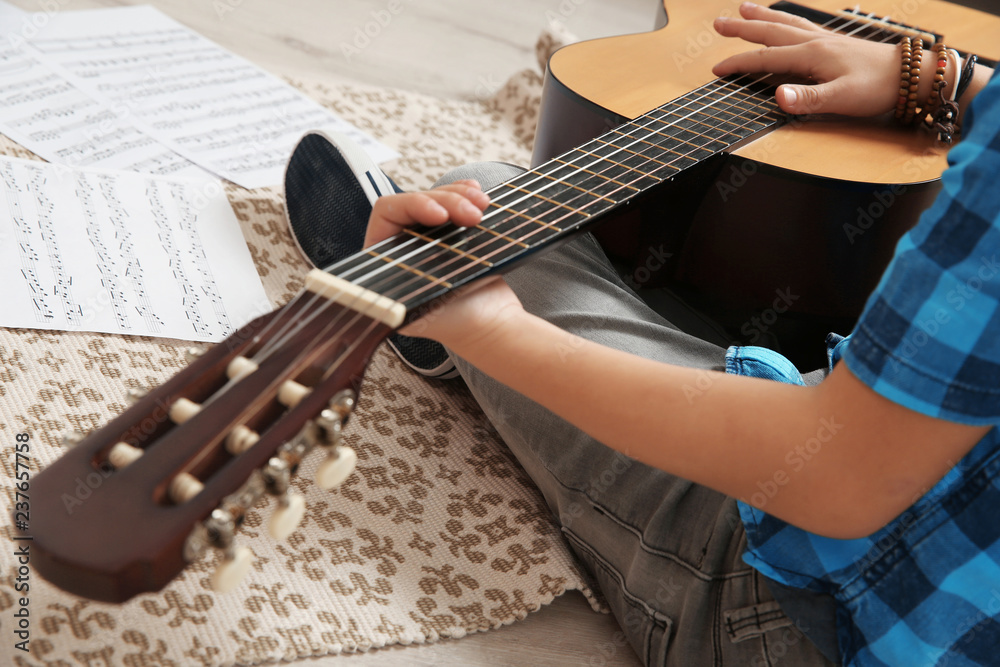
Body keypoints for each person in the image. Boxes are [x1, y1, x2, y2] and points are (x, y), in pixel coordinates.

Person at [286, 3, 999, 664]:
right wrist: (946, 78)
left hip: (808, 611)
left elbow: (837, 479)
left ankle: (440, 329)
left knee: (489, 201)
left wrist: (495, 332)